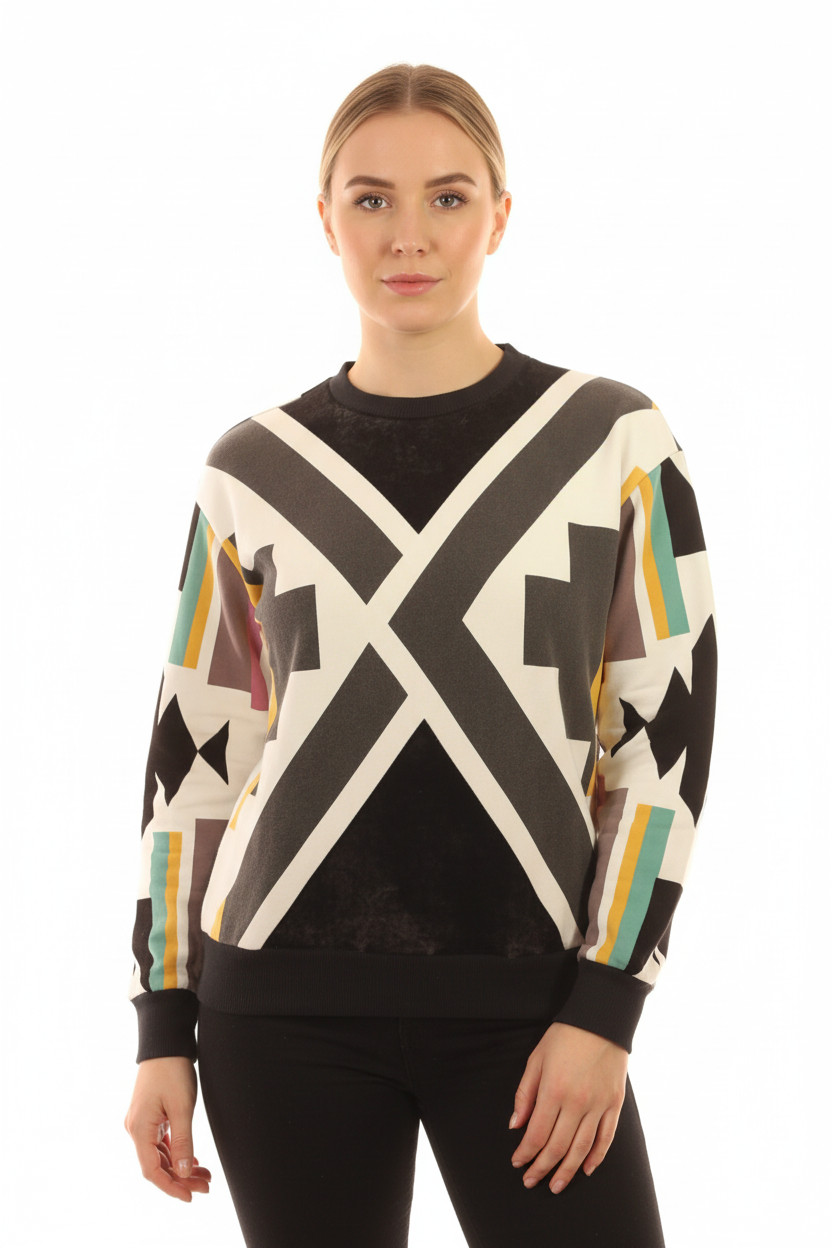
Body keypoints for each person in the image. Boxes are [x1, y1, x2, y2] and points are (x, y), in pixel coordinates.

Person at [123, 62, 717, 1248]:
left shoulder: (612, 440)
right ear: (325, 220)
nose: (409, 235)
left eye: (448, 197)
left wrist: (606, 1007)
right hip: (276, 1010)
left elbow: (664, 739)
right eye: (371, 199)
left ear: (500, 215)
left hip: (534, 1007)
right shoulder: (251, 468)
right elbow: (194, 757)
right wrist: (160, 1026)